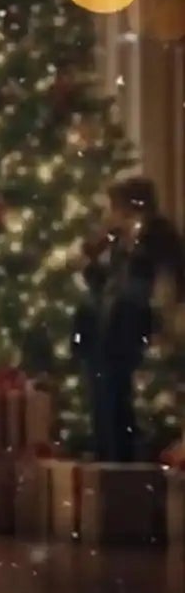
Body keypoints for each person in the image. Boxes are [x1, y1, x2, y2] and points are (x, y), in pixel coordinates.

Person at [74, 177, 185, 463]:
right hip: (111, 331)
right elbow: (107, 287)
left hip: (138, 329)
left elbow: (161, 284)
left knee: (118, 397)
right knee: (104, 393)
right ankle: (108, 456)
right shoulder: (119, 240)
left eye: (113, 207)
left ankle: (122, 460)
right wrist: (91, 265)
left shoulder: (156, 235)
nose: (109, 215)